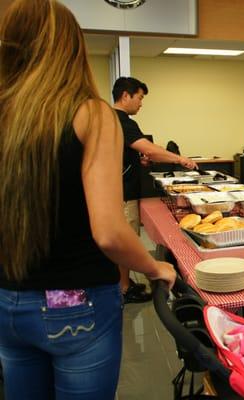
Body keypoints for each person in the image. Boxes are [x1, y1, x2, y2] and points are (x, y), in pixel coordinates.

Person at [0, 1, 176, 398]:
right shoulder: (92, 114)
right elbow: (110, 233)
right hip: (74, 303)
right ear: (70, 48)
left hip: (8, 301)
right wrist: (154, 268)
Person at [112, 76, 196, 303]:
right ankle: (123, 288)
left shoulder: (113, 120)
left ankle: (124, 283)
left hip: (120, 188)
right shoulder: (122, 120)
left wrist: (136, 160)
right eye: (139, 98)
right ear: (126, 95)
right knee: (126, 239)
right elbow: (151, 150)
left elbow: (125, 152)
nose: (141, 103)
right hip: (123, 193)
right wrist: (180, 159)